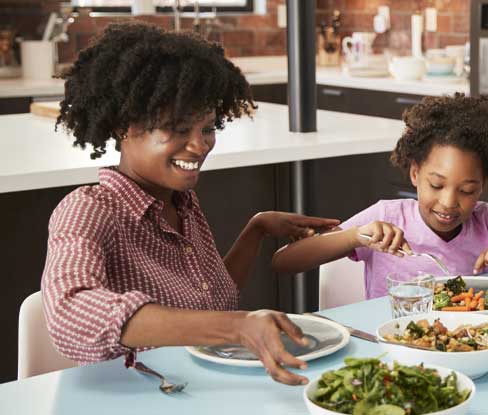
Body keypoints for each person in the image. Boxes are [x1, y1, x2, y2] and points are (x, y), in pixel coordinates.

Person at [43, 22, 339, 385]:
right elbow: (69, 313)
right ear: (123, 126)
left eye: (208, 129)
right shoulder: (89, 209)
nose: (200, 146)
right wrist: (235, 327)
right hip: (134, 396)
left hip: (195, 387)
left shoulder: (184, 203)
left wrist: (257, 229)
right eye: (178, 129)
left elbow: (212, 303)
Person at [272, 94, 488, 298]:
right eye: (436, 185)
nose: (449, 203)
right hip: (390, 348)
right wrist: (356, 237)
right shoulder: (387, 216)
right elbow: (284, 261)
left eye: (467, 190)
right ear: (414, 174)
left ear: (482, 186)